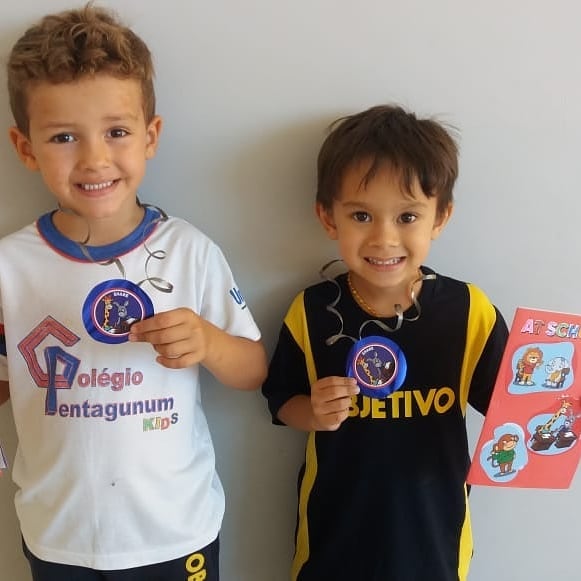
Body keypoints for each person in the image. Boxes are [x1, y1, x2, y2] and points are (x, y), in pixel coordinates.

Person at [0, 4, 267, 580]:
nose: (94, 159)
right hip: (60, 537)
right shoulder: (9, 267)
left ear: (151, 136)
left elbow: (252, 370)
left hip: (177, 532)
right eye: (64, 137)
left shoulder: (189, 250)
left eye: (116, 132)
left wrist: (207, 341)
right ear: (25, 148)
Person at [262, 104, 509, 581]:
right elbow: (280, 400)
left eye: (408, 216)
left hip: (435, 542)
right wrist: (312, 413)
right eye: (361, 215)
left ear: (440, 218)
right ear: (328, 218)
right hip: (333, 543)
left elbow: (514, 408)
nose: (384, 238)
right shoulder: (311, 311)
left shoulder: (468, 310)